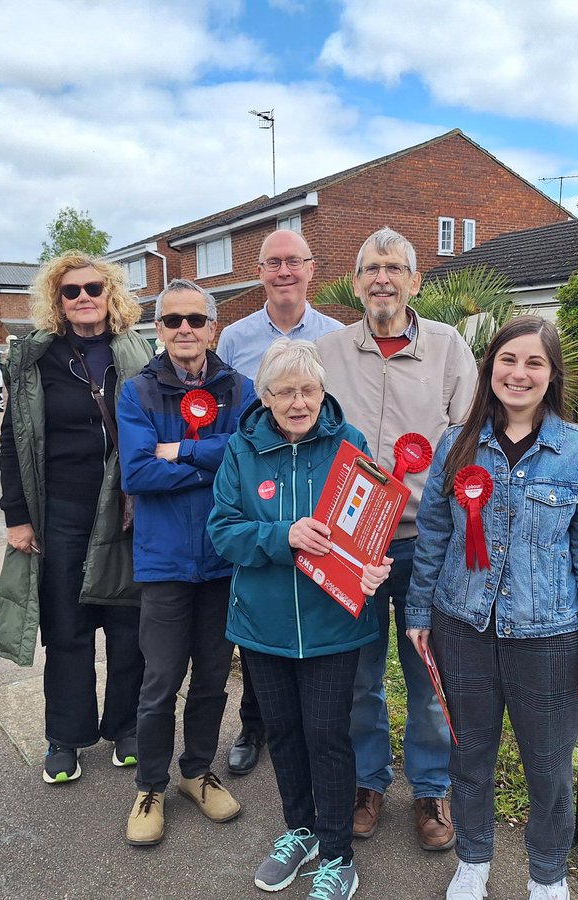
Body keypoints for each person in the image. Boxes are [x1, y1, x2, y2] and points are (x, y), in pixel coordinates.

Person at [404, 315, 578, 900]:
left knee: (548, 768)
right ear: (489, 367)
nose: (518, 373)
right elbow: (433, 538)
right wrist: (420, 613)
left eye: (534, 363)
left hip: (548, 638)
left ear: (551, 376)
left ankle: (547, 874)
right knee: (470, 755)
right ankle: (473, 860)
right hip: (463, 627)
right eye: (508, 359)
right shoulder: (456, 444)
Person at [208, 339, 391, 900]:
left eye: (308, 390)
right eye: (284, 391)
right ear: (263, 397)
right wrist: (280, 535)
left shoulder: (348, 444)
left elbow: (370, 532)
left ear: (322, 391)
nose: (297, 402)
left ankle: (338, 854)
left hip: (333, 621)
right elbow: (221, 532)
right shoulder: (241, 450)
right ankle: (301, 830)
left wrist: (373, 569)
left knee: (327, 734)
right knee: (283, 731)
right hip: (263, 625)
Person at [317, 227, 477, 851]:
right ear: (355, 283)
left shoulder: (447, 349)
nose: (381, 278)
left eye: (394, 268)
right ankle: (368, 782)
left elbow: (469, 439)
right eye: (370, 269)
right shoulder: (327, 351)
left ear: (415, 281)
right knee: (358, 677)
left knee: (427, 672)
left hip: (422, 544)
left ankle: (432, 790)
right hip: (351, 546)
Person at [0, 252, 152, 784]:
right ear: (57, 302)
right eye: (71, 291)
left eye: (93, 287)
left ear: (110, 294)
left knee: (129, 624)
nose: (83, 297)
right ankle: (65, 737)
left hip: (126, 510)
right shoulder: (36, 361)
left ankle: (126, 727)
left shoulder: (137, 352)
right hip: (61, 511)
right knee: (67, 628)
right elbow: (12, 443)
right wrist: (17, 516)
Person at [117, 279, 256, 845]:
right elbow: (138, 473)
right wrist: (210, 462)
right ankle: (151, 785)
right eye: (173, 321)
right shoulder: (138, 393)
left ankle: (196, 772)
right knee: (160, 682)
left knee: (211, 681)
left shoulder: (241, 388)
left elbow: (247, 456)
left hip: (224, 560)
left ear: (212, 327)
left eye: (195, 320)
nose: (184, 331)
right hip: (166, 562)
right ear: (158, 329)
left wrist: (180, 450)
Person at [215, 228, 345, 776]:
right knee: (266, 621)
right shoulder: (234, 337)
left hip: (323, 491)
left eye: (295, 261)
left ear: (312, 268)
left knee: (324, 653)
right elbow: (228, 421)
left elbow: (340, 418)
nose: (284, 270)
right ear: (261, 271)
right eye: (273, 262)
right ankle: (255, 727)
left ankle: (339, 762)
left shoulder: (337, 335)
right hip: (257, 489)